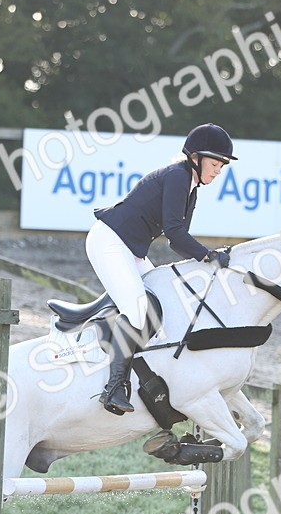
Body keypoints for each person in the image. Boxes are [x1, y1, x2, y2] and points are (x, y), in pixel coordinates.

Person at [86, 123, 237, 415]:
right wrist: (208, 256)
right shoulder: (178, 176)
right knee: (137, 308)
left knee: (164, 303)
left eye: (222, 166)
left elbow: (176, 241)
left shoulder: (191, 188)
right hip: (109, 242)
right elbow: (175, 233)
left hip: (131, 249)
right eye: (215, 163)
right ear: (195, 158)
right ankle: (114, 388)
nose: (219, 171)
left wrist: (206, 259)